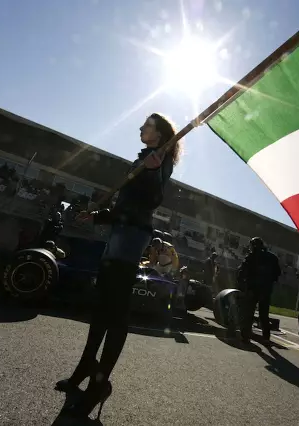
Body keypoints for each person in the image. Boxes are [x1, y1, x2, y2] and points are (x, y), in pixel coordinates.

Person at [56, 113, 181, 421]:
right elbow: (126, 206)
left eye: (147, 126)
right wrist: (96, 216)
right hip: (120, 234)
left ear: (159, 133)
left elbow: (153, 201)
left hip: (132, 237)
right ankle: (86, 365)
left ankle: (99, 384)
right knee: (102, 305)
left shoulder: (159, 160)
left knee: (116, 309)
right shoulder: (144, 158)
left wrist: (151, 174)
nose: (141, 128)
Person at [237, 237, 281, 343]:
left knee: (249, 313)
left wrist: (241, 283)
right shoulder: (272, 257)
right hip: (266, 290)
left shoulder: (251, 257)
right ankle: (266, 337)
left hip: (253, 289)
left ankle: (245, 335)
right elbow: (277, 274)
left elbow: (242, 271)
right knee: (264, 315)